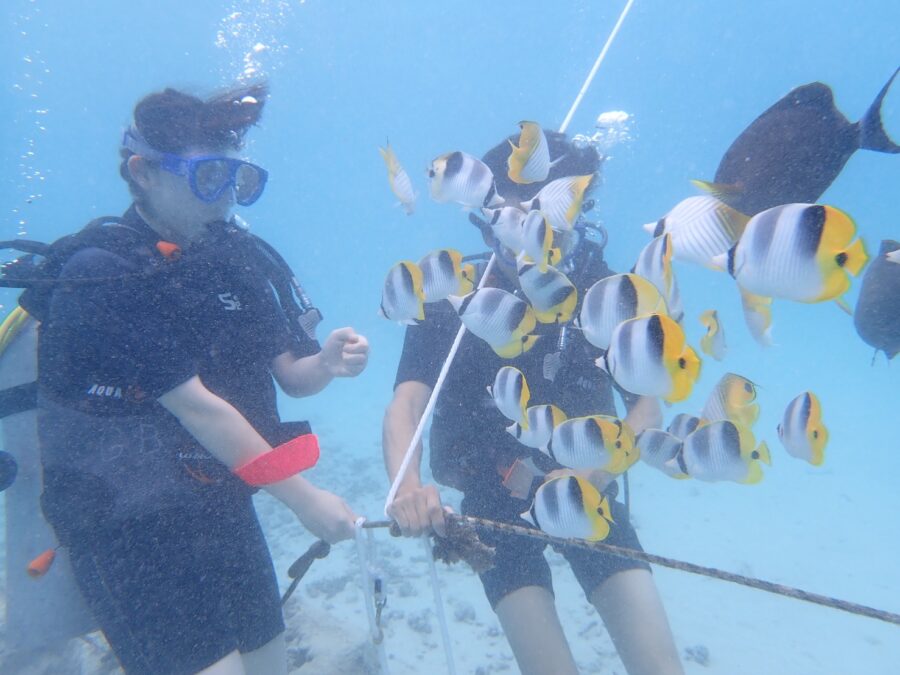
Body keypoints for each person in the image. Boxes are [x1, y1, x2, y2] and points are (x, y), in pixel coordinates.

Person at [29, 82, 369, 675]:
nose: (226, 198)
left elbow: (289, 376)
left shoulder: (235, 260)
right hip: (125, 525)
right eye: (208, 177)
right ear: (144, 171)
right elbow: (201, 409)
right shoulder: (101, 273)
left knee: (267, 661)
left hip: (218, 502)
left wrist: (327, 365)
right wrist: (306, 501)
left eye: (236, 179)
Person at [383, 132, 684, 675]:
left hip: (587, 489)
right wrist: (405, 485)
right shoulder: (454, 292)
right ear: (488, 208)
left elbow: (648, 408)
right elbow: (406, 406)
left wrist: (589, 478)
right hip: (492, 497)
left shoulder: (602, 287)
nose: (546, 228)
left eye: (564, 208)